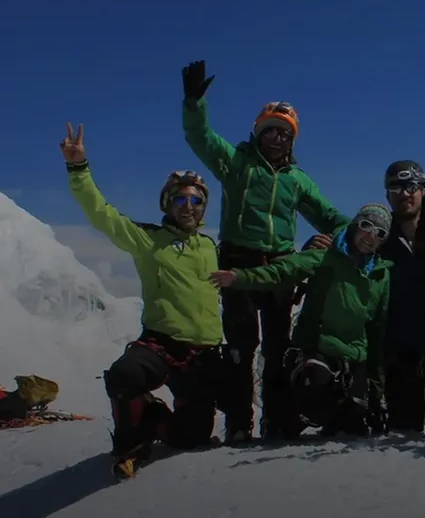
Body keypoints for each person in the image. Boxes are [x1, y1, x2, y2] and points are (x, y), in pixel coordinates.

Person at [179, 60, 351, 443]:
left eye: (284, 134)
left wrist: (352, 231)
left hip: (280, 266)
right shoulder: (237, 163)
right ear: (258, 131)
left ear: (292, 140)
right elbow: (200, 138)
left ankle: (277, 421)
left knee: (277, 349)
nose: (277, 138)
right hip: (237, 260)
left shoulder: (296, 180)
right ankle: (240, 425)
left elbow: (328, 215)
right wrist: (194, 103)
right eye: (271, 130)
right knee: (241, 349)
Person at [59, 123, 226, 479]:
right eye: (180, 198)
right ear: (167, 202)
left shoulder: (212, 248)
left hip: (203, 353)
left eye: (196, 200)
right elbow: (102, 214)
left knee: (190, 439)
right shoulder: (148, 240)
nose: (188, 206)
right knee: (124, 375)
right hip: (162, 341)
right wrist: (78, 168)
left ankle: (151, 416)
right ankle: (129, 446)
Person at [209, 204, 393, 438]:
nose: (370, 236)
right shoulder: (325, 257)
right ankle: (293, 415)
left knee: (355, 426)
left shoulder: (381, 275)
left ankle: (334, 416)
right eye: (366, 226)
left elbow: (377, 331)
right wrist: (239, 277)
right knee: (314, 387)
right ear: (355, 226)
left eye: (380, 233)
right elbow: (283, 271)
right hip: (318, 350)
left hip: (354, 357)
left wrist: (376, 393)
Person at [374, 160, 425, 434]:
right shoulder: (379, 240)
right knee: (404, 428)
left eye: (411, 186)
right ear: (387, 195)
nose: (404, 193)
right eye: (395, 187)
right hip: (399, 347)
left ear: (423, 190)